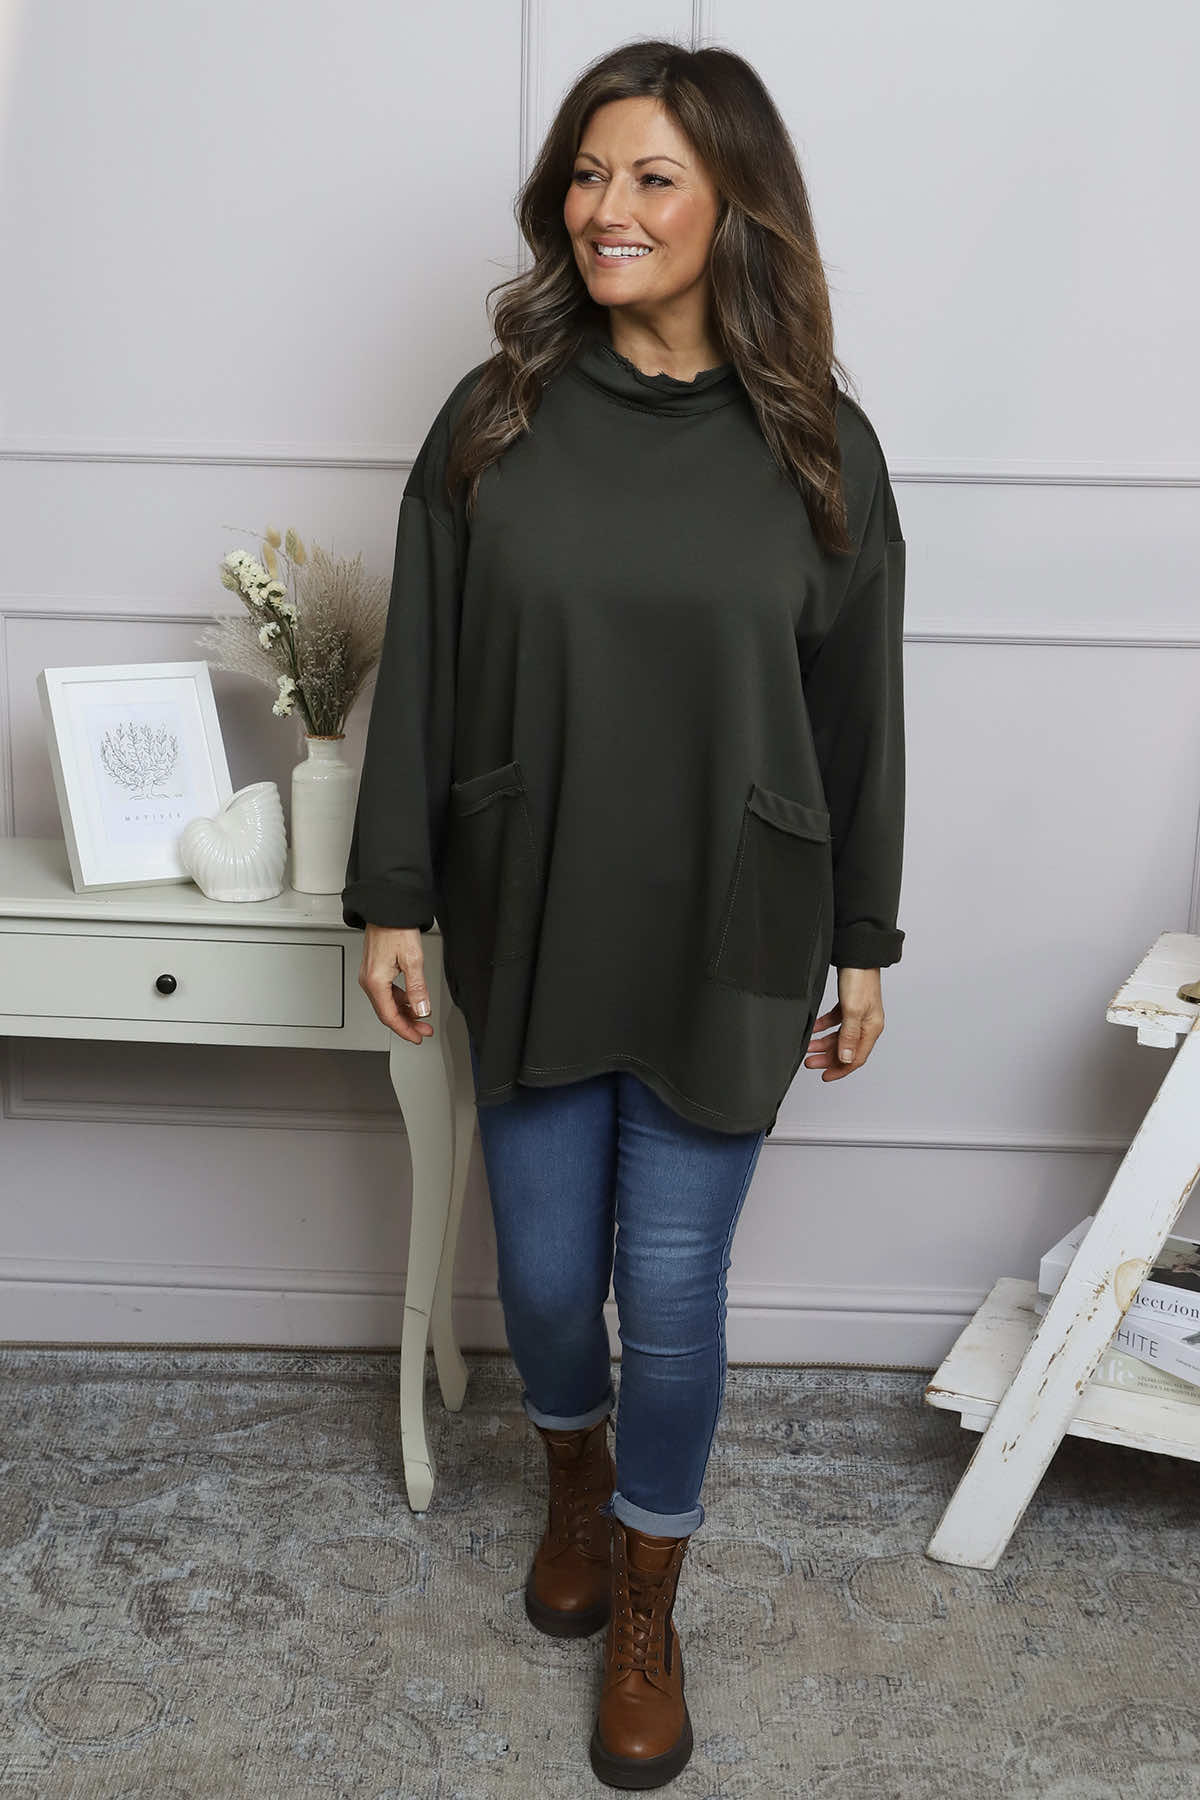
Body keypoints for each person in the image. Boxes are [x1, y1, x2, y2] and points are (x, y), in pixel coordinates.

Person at [343, 37, 906, 1792]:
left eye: (653, 176)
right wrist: (393, 894)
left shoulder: (818, 441)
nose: (608, 208)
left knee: (670, 1290)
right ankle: (572, 1483)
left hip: (734, 924)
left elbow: (861, 714)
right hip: (534, 898)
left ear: (734, 201)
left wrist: (865, 938)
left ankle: (650, 1600)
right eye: (589, 174)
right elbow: (423, 673)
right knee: (538, 1278)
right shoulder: (495, 415)